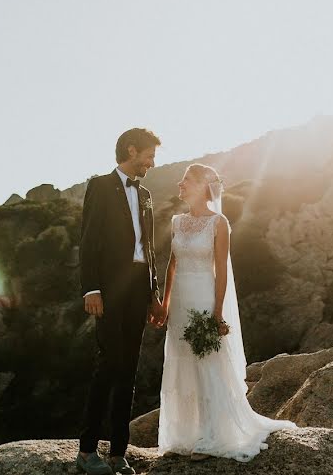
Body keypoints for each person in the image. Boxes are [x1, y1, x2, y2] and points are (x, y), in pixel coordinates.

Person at [156, 163, 297, 461]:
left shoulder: (219, 223)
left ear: (202, 186)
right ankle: (186, 433)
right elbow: (172, 265)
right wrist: (166, 304)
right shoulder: (177, 222)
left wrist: (217, 313)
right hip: (180, 301)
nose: (180, 185)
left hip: (204, 299)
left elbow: (222, 273)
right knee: (183, 360)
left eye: (186, 181)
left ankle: (211, 434)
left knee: (206, 361)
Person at [76, 128, 166, 475]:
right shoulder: (99, 186)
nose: (152, 163)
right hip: (109, 290)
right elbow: (88, 242)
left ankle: (117, 453)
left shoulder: (145, 194)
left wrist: (154, 294)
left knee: (128, 369)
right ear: (131, 150)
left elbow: (150, 249)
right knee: (108, 364)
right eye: (149, 155)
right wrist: (91, 289)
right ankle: (86, 451)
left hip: (139, 290)